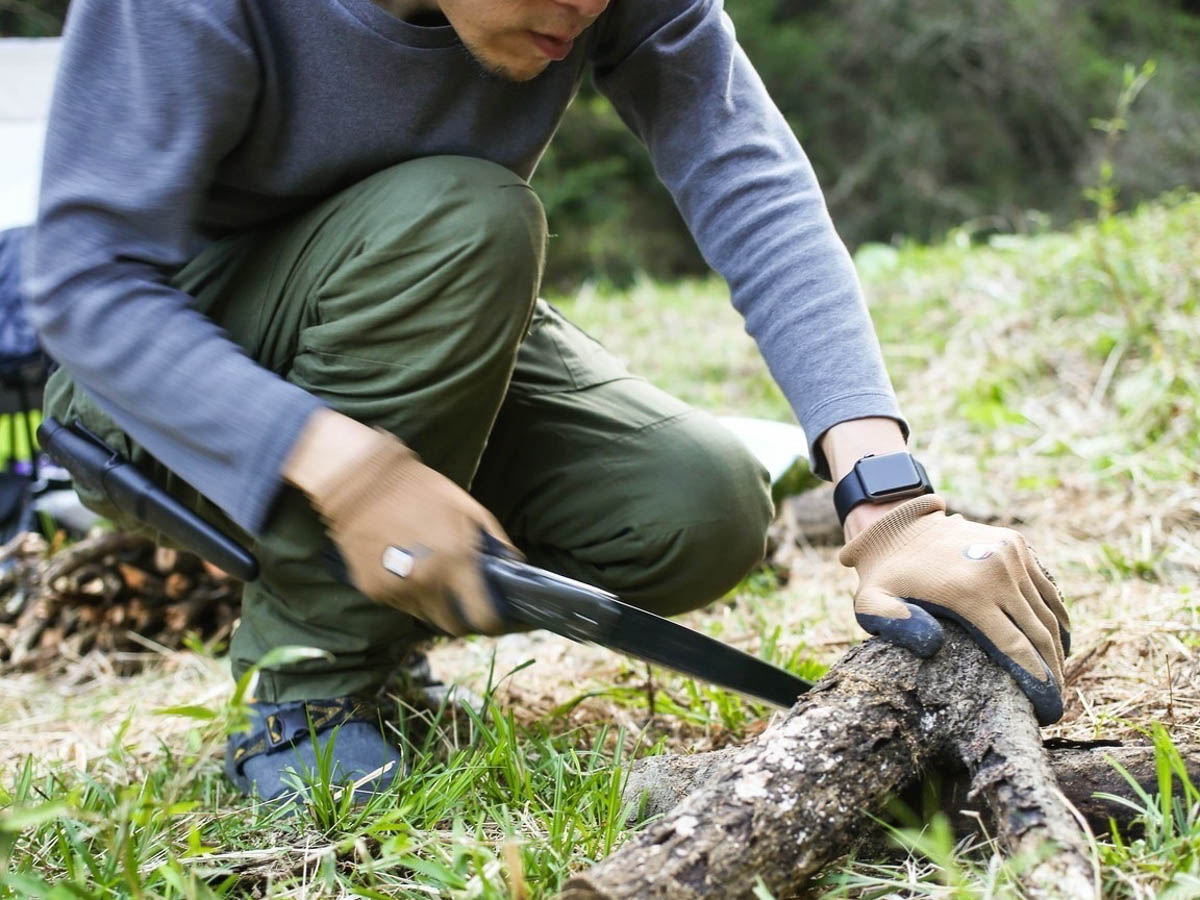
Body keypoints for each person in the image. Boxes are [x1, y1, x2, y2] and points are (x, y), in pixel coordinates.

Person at [25, 0, 1070, 802]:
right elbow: (84, 288)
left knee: (699, 511)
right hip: (156, 391)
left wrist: (888, 501)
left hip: (415, 301)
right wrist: (347, 465)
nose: (591, 9)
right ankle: (306, 688)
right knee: (469, 218)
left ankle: (372, 619)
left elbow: (745, 178)